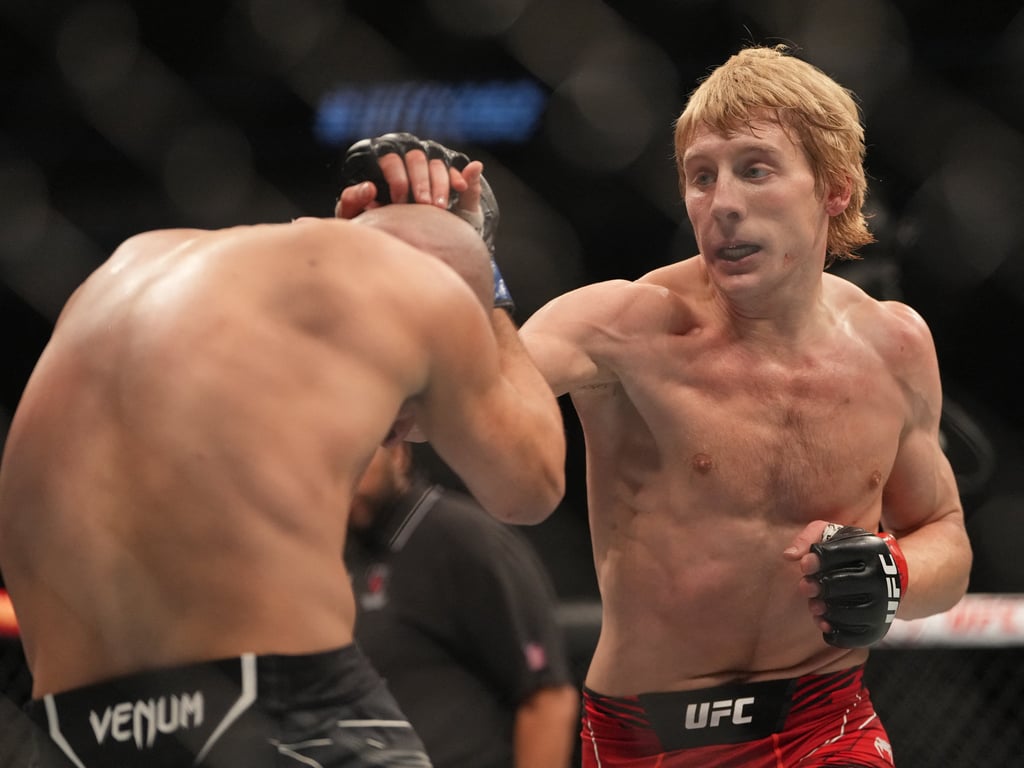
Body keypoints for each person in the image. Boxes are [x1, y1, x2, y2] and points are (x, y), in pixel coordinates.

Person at [335, 44, 973, 767]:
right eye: (701, 177)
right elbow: (424, 411)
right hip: (651, 740)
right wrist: (442, 272)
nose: (722, 204)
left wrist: (896, 572)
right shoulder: (621, 327)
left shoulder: (894, 345)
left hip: (824, 728)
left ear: (834, 187)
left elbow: (943, 535)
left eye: (755, 169)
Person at [0, 200, 566, 767]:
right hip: (277, 713)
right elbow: (531, 486)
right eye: (407, 414)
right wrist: (489, 289)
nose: (391, 437)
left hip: (66, 733)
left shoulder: (124, 272)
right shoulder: (421, 284)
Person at [345, 441, 579, 768]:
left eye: (353, 454)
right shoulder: (342, 556)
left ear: (397, 452)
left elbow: (548, 697)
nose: (343, 475)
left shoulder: (461, 537)